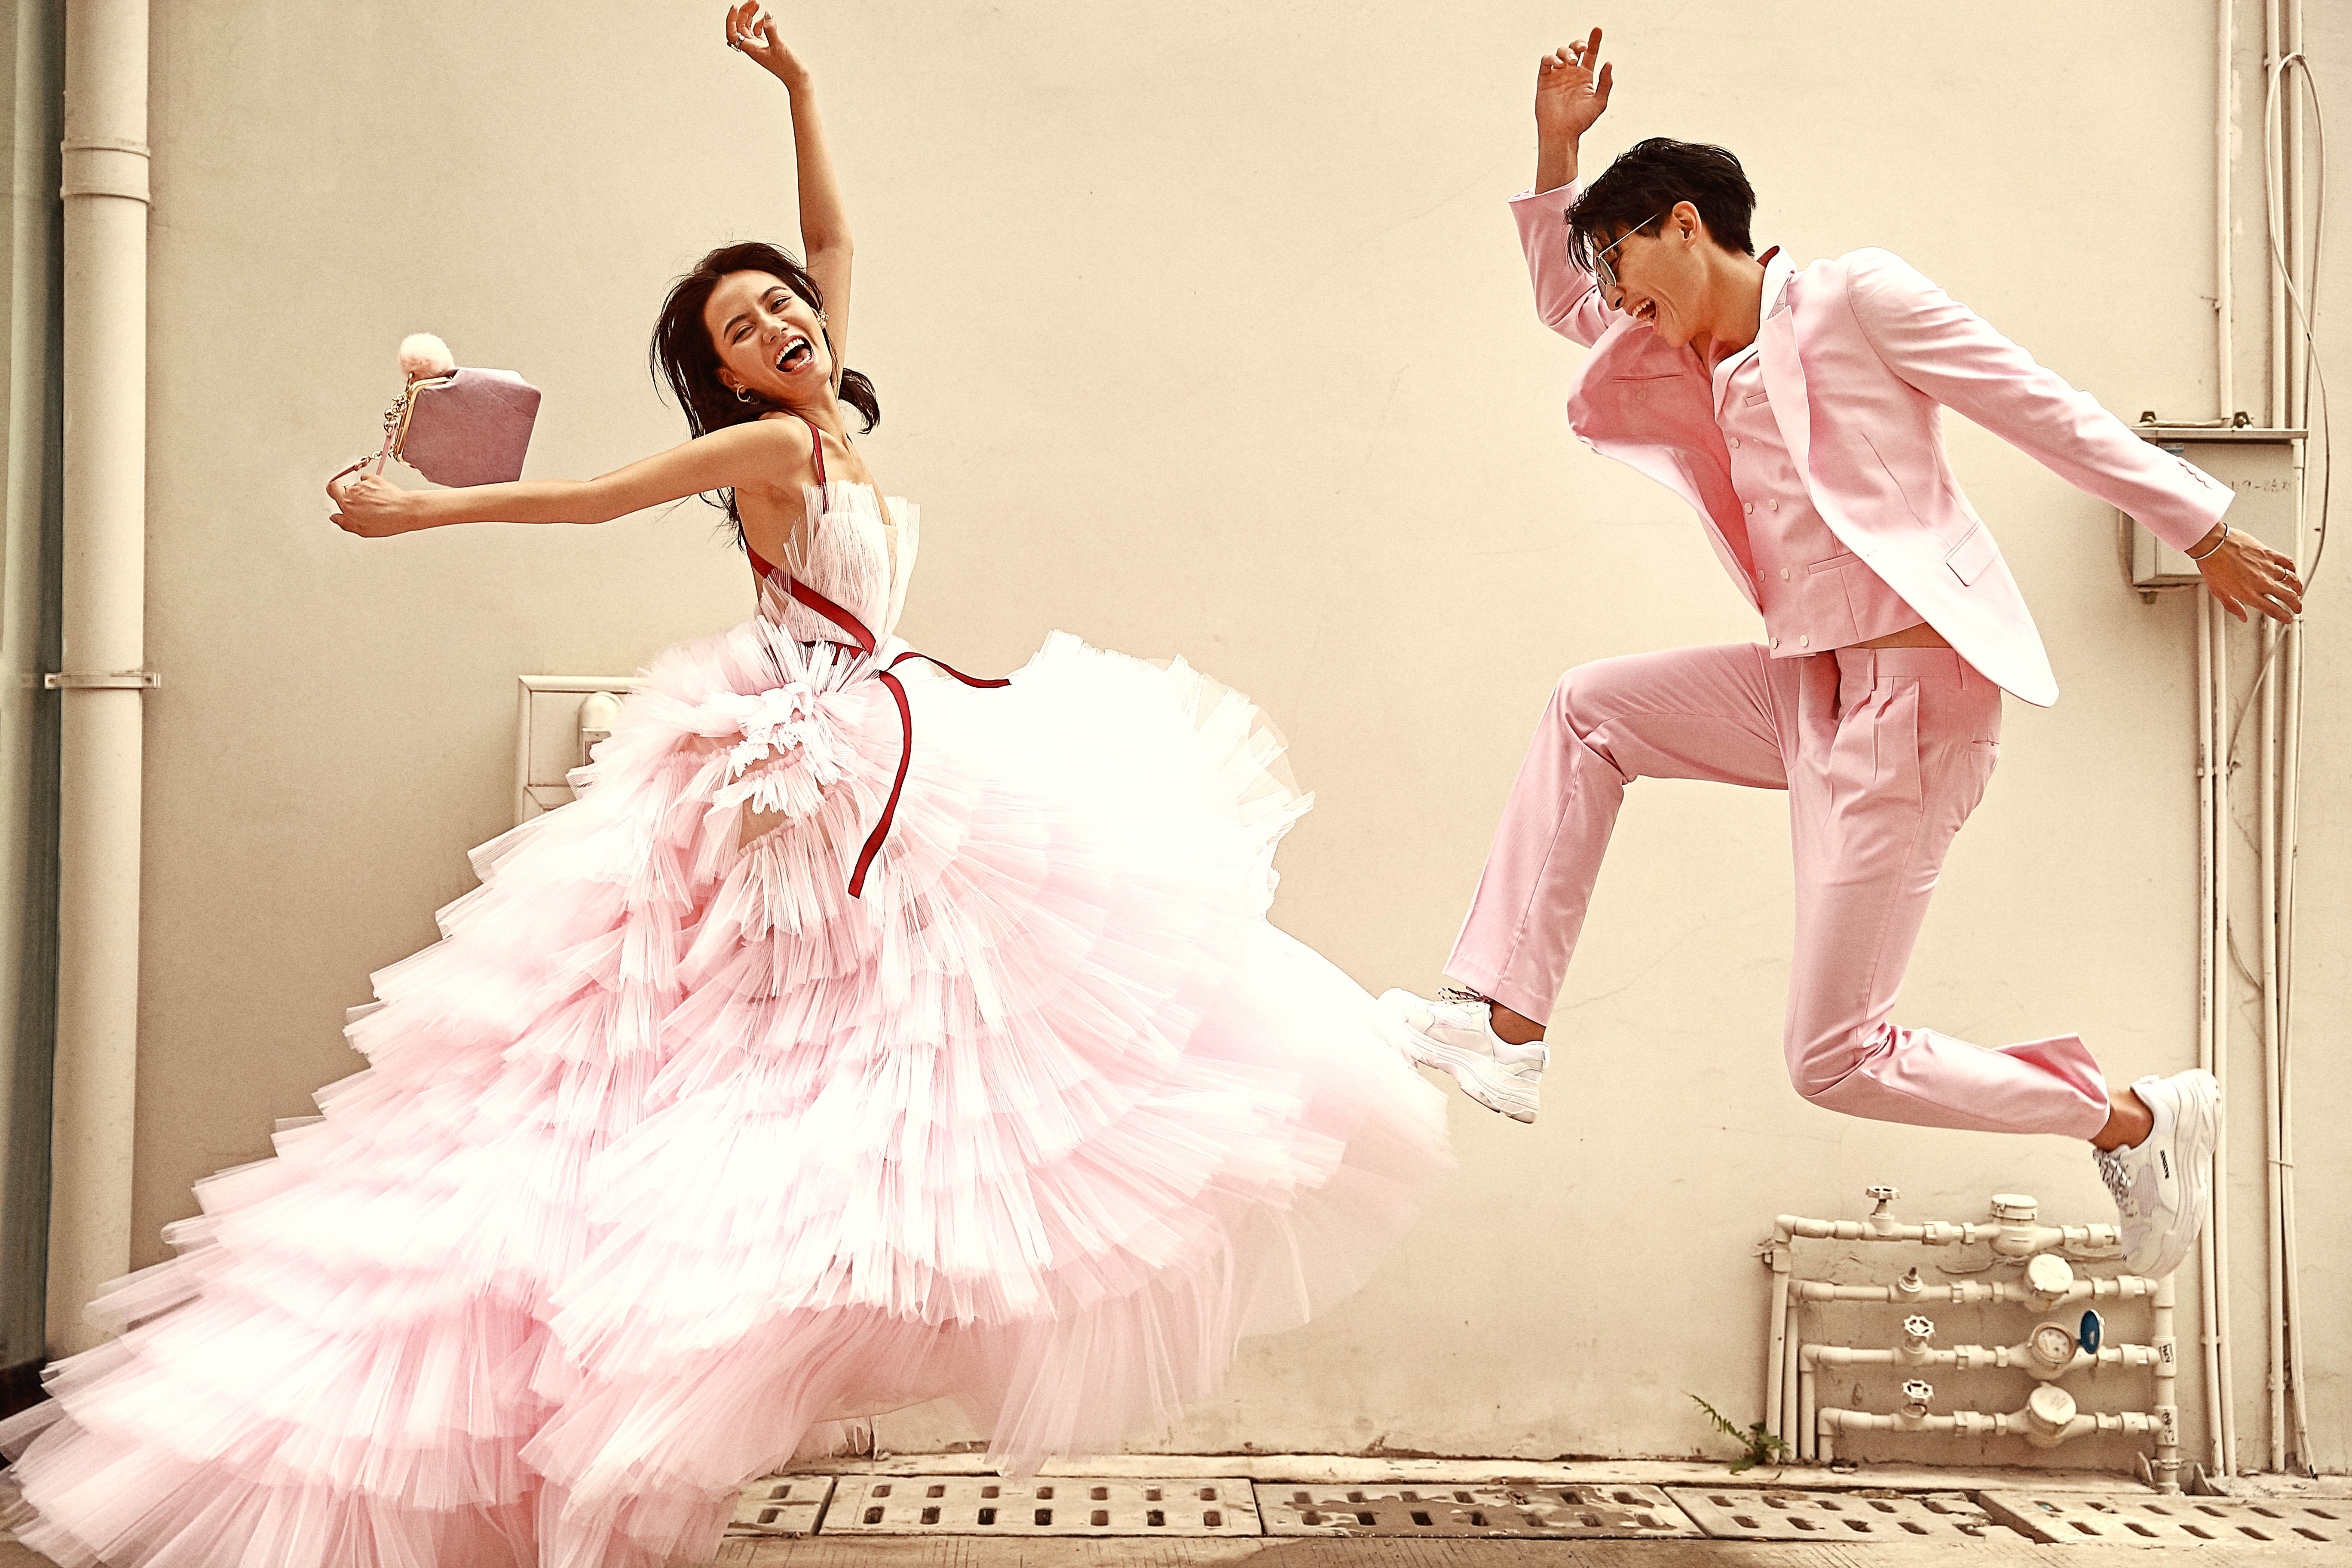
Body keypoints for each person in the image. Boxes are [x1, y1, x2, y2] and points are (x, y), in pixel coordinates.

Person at [0, 9, 1449, 1565]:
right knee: (762, 1069)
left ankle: (743, 1295)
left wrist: (801, 86)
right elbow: (593, 499)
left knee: (923, 1041)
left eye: (784, 308)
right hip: (807, 770)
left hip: (879, 731)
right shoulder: (768, 448)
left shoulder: (829, 422)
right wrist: (424, 514)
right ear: (729, 378)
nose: (780, 326)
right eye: (745, 333)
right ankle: (661, 1317)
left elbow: (833, 239)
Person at [1382, 29, 2300, 1281]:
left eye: (1622, 264)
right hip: (1805, 688)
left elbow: (2039, 406)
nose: (1613, 300)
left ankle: (2134, 1121)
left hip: (1912, 702)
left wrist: (2201, 526)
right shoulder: (1680, 346)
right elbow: (1562, 306)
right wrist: (1557, 152)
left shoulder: (1856, 299)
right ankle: (1507, 1027)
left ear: (1683, 224)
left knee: (1833, 1058)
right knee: (1589, 710)